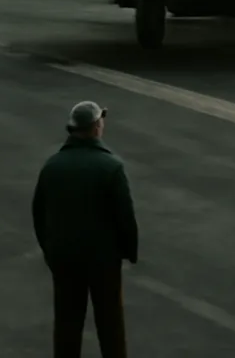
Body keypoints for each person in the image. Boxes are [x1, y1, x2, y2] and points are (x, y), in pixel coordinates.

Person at [31, 101, 139, 358]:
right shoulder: (111, 167)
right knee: (110, 324)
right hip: (103, 261)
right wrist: (128, 252)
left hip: (64, 259)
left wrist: (51, 251)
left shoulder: (52, 166)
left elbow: (39, 213)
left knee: (67, 323)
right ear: (95, 127)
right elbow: (125, 217)